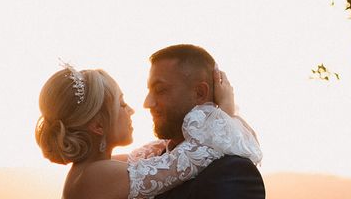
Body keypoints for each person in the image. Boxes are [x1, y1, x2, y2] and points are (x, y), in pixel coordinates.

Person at [35, 59, 261, 199]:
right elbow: (192, 156)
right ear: (97, 125)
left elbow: (163, 150)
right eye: (121, 104)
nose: (132, 109)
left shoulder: (100, 168)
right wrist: (226, 113)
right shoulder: (95, 176)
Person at [144, 44, 266, 199]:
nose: (147, 103)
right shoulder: (155, 161)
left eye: (160, 90)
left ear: (200, 93)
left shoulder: (233, 171)